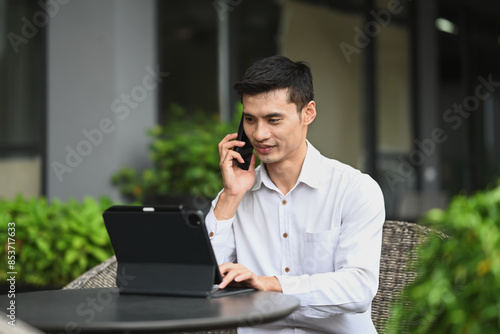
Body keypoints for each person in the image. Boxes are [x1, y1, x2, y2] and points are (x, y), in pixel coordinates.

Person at [205, 55, 385, 333]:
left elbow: (358, 288)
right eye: (250, 119)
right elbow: (203, 281)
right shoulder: (235, 195)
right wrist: (230, 197)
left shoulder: (354, 190)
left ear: (308, 113)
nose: (259, 134)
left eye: (273, 119)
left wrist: (270, 284)